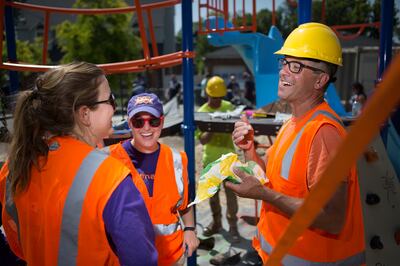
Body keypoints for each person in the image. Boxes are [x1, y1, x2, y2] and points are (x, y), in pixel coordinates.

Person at [228, 23, 365, 264]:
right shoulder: (295, 122)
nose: (283, 71)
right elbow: (270, 180)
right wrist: (249, 148)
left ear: (320, 80)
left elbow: (332, 218)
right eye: (285, 62)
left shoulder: (324, 132)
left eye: (296, 66)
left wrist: (264, 195)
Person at [0, 62, 158, 265]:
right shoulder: (109, 176)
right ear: (84, 114)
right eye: (109, 99)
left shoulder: (16, 165)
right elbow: (142, 259)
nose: (115, 106)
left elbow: (17, 245)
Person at [105, 92, 199, 265]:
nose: (146, 128)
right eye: (138, 122)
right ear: (129, 123)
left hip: (171, 256)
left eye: (153, 121)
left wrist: (190, 229)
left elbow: (184, 205)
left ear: (162, 121)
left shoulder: (177, 159)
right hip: (125, 259)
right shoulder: (109, 160)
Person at [196, 76, 241, 243]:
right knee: (212, 195)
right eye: (214, 98)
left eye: (219, 98)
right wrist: (213, 127)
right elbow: (202, 140)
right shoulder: (202, 112)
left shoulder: (229, 108)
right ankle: (216, 223)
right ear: (207, 94)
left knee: (231, 196)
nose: (216, 101)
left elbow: (237, 131)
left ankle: (233, 226)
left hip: (228, 160)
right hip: (211, 161)